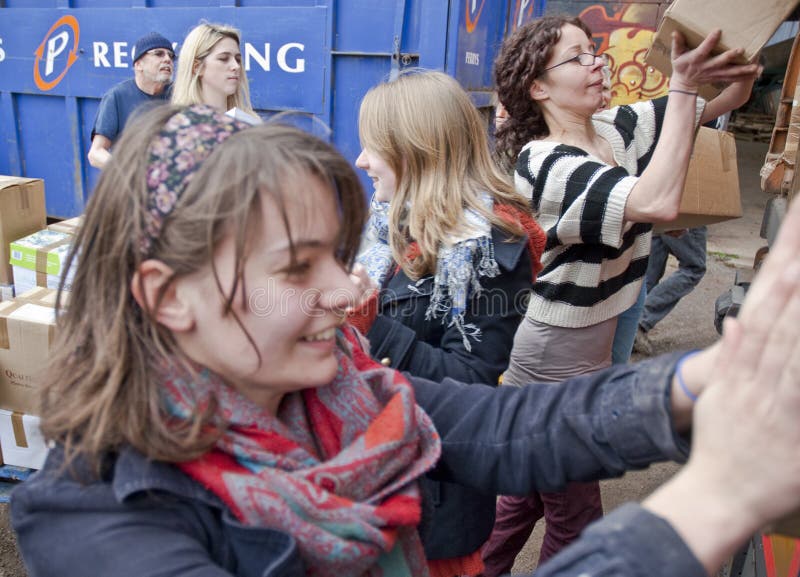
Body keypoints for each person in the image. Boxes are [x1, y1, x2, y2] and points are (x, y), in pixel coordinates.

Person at [10, 104, 800, 577]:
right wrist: (713, 501)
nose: (348, 289)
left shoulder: (336, 385)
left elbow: (504, 425)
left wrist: (714, 376)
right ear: (167, 296)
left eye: (339, 254)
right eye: (297, 265)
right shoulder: (96, 515)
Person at [480, 16, 761, 575]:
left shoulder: (613, 129)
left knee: (530, 494)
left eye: (595, 51)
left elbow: (717, 99)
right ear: (538, 87)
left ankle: (480, 567)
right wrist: (681, 87)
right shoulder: (545, 164)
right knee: (575, 516)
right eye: (578, 57)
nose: (597, 63)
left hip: (590, 345)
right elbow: (655, 201)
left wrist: (731, 63)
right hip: (551, 355)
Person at [349, 70, 546, 576]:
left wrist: (370, 325)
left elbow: (472, 380)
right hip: (372, 482)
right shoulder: (387, 223)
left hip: (432, 503)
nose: (361, 161)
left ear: (416, 149)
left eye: (373, 147)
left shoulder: (492, 247)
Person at [87, 31, 174, 169]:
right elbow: (96, 153)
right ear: (138, 64)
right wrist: (129, 173)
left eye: (171, 56)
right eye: (159, 54)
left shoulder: (179, 95)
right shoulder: (117, 97)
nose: (167, 59)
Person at [634, 226, 708, 355]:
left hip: (659, 211)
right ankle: (640, 321)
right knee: (694, 268)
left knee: (649, 274)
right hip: (687, 213)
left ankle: (627, 326)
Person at [171, 22, 255, 115]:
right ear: (197, 67)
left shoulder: (250, 122)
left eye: (238, 59)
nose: (236, 66)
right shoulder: (178, 124)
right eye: (224, 59)